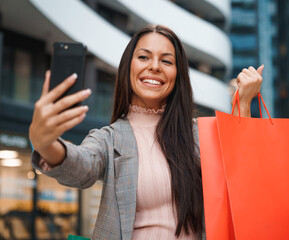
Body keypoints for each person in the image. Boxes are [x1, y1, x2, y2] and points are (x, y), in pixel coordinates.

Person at [29, 25, 263, 240]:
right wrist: (45, 143)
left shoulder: (200, 133)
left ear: (178, 75)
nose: (154, 66)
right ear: (128, 67)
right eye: (143, 57)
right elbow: (81, 166)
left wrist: (243, 106)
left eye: (167, 61)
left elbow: (241, 183)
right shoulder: (109, 138)